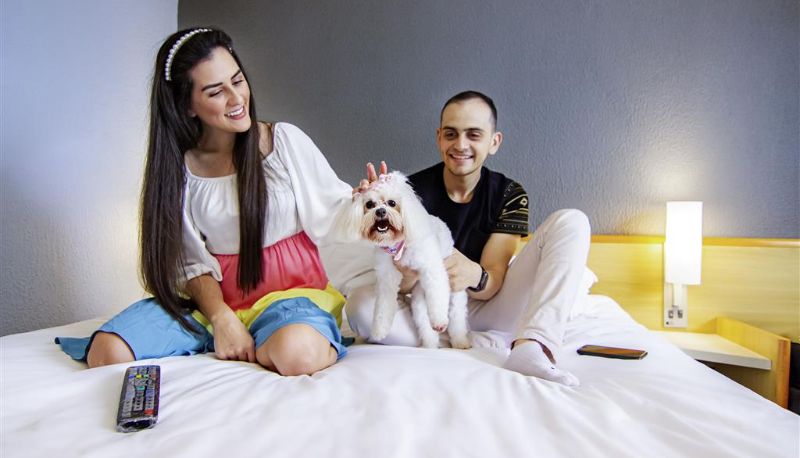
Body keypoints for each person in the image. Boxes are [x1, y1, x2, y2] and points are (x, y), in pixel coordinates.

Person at [56, 28, 355, 376]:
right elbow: (189, 261)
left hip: (291, 300)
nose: (236, 98)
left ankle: (274, 338)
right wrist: (222, 318)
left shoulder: (283, 142)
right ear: (187, 105)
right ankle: (230, 338)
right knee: (107, 352)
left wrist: (373, 203)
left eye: (237, 81)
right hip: (211, 307)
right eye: (216, 92)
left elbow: (336, 211)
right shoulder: (179, 170)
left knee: (297, 354)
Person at [345, 91, 590, 386]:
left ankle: (532, 346)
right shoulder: (410, 193)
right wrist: (374, 209)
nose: (460, 145)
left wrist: (472, 273)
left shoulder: (508, 193)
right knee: (359, 305)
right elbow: (402, 284)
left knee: (572, 220)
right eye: (451, 134)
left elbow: (494, 279)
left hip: (492, 305)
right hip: (427, 304)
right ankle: (472, 339)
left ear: (494, 141)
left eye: (474, 135)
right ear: (439, 138)